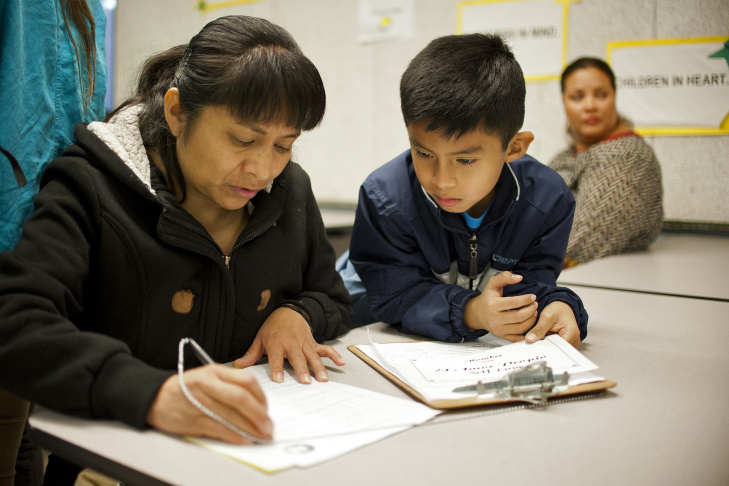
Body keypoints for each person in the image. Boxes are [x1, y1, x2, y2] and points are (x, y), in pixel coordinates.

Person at [0, 14, 352, 483]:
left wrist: (299, 315)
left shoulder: (289, 192)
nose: (262, 169)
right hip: (118, 466)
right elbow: (16, 325)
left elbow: (332, 298)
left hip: (259, 462)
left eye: (284, 146)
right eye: (243, 140)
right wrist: (152, 393)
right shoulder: (91, 186)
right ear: (177, 112)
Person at [339, 34, 587, 347]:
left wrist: (559, 306)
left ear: (514, 147)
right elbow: (394, 297)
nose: (442, 180)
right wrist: (471, 312)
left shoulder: (547, 200)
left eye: (465, 159)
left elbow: (532, 284)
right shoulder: (384, 198)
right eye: (425, 154)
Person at [0, 0, 107, 484]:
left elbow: (73, 132)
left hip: (40, 244)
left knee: (23, 441)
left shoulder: (86, 12)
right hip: (17, 231)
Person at [550, 57, 663, 267]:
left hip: (609, 283)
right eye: (577, 97)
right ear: (564, 102)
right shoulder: (564, 156)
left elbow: (578, 241)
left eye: (601, 95)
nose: (590, 105)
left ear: (614, 97)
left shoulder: (628, 156)